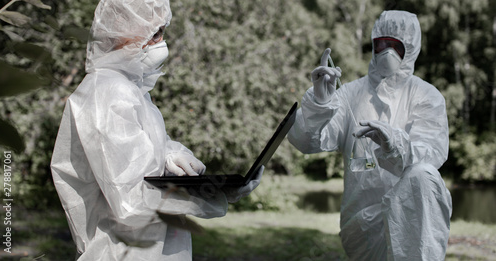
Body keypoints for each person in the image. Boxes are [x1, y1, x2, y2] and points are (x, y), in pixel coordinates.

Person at [50, 0, 262, 260]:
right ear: (120, 32)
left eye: (161, 32)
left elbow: (145, 147)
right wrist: (211, 194)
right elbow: (131, 201)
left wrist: (169, 156)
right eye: (153, 33)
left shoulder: (131, 90)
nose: (160, 42)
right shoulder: (108, 92)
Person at [288, 10, 452, 260]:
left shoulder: (426, 96)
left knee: (423, 174)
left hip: (413, 227)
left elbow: (431, 155)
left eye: (395, 45)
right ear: (373, 46)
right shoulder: (350, 95)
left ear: (410, 47)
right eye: (381, 44)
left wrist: (393, 144)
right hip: (363, 227)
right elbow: (305, 142)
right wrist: (320, 104)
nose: (387, 52)